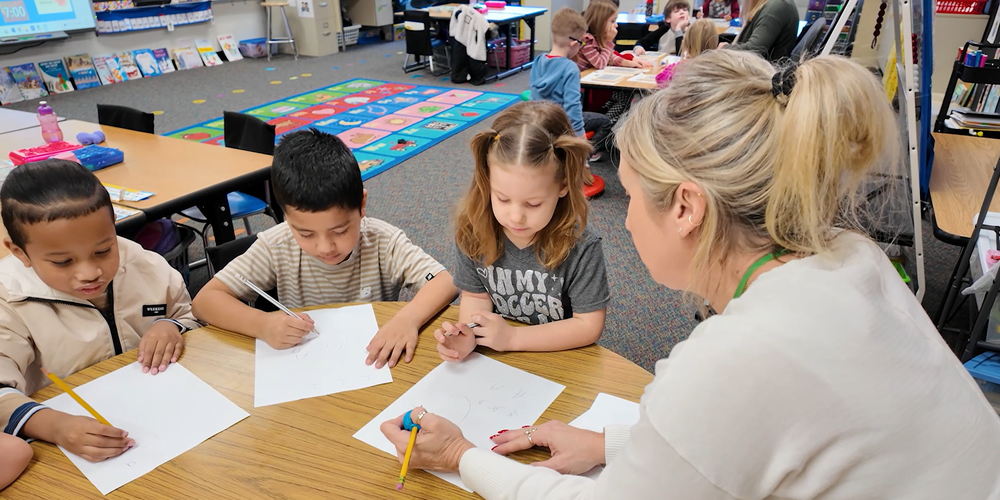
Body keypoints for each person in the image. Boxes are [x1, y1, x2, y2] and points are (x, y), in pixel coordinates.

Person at [380, 51, 1000, 498]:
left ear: (685, 207)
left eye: (629, 197)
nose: (622, 226)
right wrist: (608, 445)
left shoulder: (737, 356)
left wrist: (462, 456)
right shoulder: (854, 257)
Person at [192, 129, 458, 369]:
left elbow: (445, 282)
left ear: (362, 205)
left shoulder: (381, 241)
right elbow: (205, 302)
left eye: (340, 231)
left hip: (371, 363)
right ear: (284, 216)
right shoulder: (276, 245)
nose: (325, 247)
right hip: (305, 366)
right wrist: (262, 324)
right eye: (305, 233)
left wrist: (407, 319)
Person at [0, 159, 202, 465]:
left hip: (167, 418)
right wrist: (56, 426)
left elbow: (190, 316)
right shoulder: (8, 297)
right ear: (19, 252)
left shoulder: (144, 265)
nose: (90, 273)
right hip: (67, 443)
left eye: (103, 251)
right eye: (63, 262)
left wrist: (170, 325)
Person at [434, 101, 609, 361]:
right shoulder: (474, 232)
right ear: (487, 181)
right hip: (499, 363)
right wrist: (470, 334)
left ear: (563, 186)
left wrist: (514, 339)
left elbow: (588, 326)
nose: (515, 216)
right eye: (502, 198)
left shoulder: (581, 245)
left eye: (533, 203)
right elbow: (475, 296)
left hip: (559, 357)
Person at [530, 7, 612, 195]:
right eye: (581, 42)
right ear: (573, 42)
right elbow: (573, 106)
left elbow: (533, 95)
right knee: (604, 122)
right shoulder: (570, 68)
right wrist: (580, 136)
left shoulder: (538, 60)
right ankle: (583, 161)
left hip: (541, 121)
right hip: (563, 122)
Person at [574, 0, 651, 71]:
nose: (616, 25)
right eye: (612, 21)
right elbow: (600, 64)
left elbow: (610, 57)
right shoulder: (586, 40)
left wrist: (629, 63)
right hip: (580, 81)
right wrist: (608, 42)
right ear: (600, 22)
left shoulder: (599, 38)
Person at [723, 0, 798, 62]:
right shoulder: (769, 5)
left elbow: (754, 50)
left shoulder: (777, 6)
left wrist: (724, 48)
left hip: (762, 75)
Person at [656, 18, 719, 87]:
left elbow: (660, 79)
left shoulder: (684, 68)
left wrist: (669, 69)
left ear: (687, 42)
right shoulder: (716, 66)